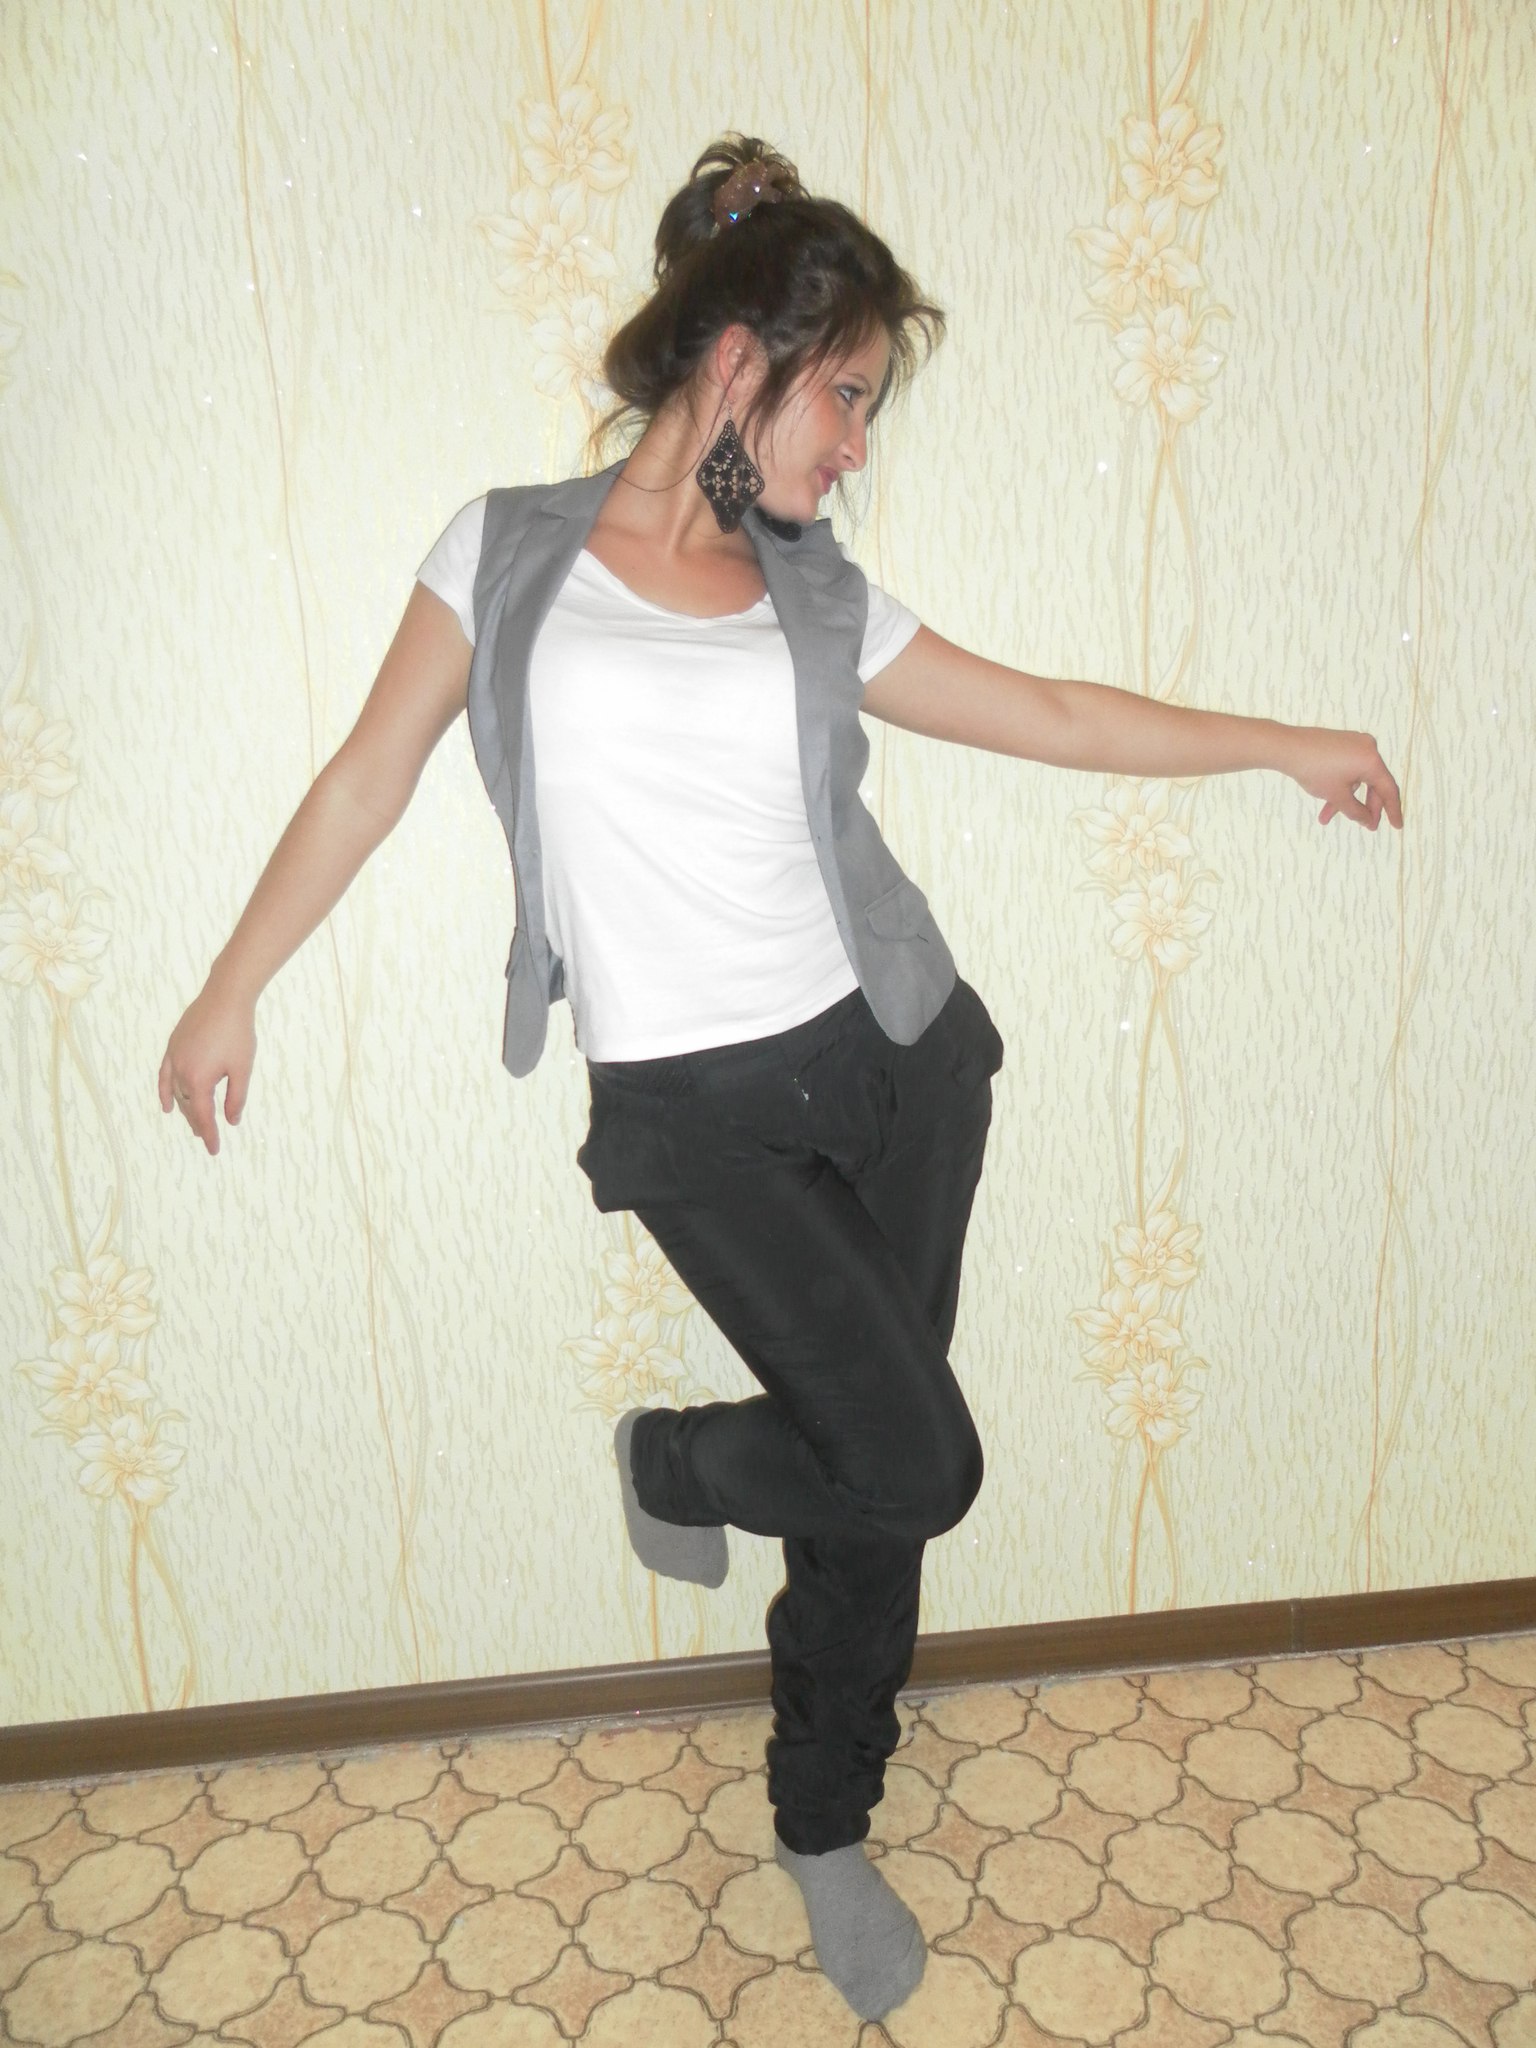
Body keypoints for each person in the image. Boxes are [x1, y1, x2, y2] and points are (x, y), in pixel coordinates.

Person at [159, 135, 1403, 2023]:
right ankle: (670, 1460)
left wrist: (1287, 742)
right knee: (913, 1454)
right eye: (850, 397)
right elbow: (365, 780)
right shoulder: (503, 552)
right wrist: (229, 986)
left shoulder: (816, 591)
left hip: (897, 1061)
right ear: (739, 363)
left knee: (874, 1483)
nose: (860, 447)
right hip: (690, 1110)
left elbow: (1049, 712)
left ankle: (825, 1819)